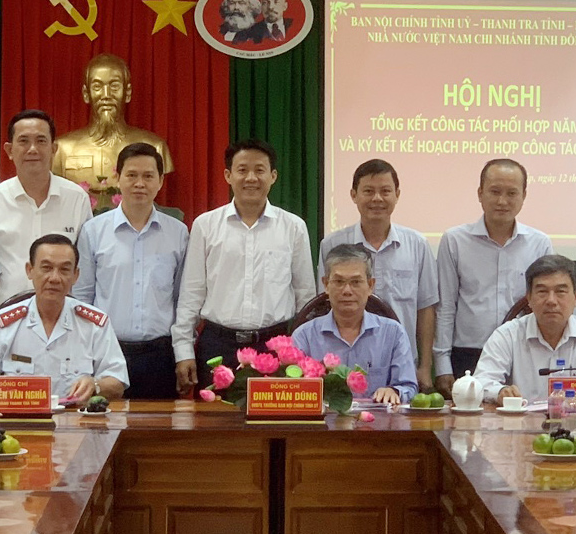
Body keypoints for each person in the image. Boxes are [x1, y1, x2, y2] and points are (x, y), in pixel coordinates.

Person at [173, 139, 315, 392]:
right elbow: (191, 293)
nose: (251, 178)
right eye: (242, 170)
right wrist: (184, 351)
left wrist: (304, 353)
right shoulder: (206, 225)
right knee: (215, 416)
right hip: (218, 346)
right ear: (228, 175)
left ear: (273, 176)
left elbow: (306, 297)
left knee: (273, 417)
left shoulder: (293, 227)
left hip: (274, 347)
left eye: (259, 170)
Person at [74, 143, 189, 399]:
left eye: (148, 176)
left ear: (160, 181)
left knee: (158, 423)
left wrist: (183, 353)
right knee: (102, 422)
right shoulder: (93, 231)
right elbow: (82, 298)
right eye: (132, 175)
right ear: (118, 178)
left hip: (160, 355)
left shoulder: (178, 233)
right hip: (106, 352)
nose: (140, 183)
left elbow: (183, 299)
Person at [433, 159, 553, 398]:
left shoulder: (539, 243)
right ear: (480, 193)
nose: (502, 201)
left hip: (522, 353)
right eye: (495, 192)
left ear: (524, 196)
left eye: (511, 193)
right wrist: (443, 364)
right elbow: (446, 306)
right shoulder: (454, 240)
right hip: (468, 353)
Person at [318, 159, 438, 390]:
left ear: (397, 195)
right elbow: (323, 304)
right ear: (353, 195)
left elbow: (426, 308)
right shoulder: (332, 244)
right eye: (368, 191)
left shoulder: (417, 245)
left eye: (385, 191)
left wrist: (425, 366)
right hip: (342, 366)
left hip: (401, 364)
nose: (377, 198)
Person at [0, 234, 129, 403]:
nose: (55, 278)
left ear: (75, 275)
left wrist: (95, 385)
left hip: (76, 416)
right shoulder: (2, 324)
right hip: (19, 416)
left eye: (64, 270)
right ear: (29, 270)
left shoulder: (94, 324)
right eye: (46, 268)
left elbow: (118, 381)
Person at [474, 255, 576, 405]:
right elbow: (479, 383)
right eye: (542, 292)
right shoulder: (507, 334)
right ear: (529, 298)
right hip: (524, 421)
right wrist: (500, 392)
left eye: (560, 292)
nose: (551, 301)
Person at [0, 109, 92, 306]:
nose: (32, 149)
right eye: (23, 141)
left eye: (41, 141)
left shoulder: (76, 199)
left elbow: (86, 266)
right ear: (9, 150)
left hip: (63, 312)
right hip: (7, 313)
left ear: (54, 148)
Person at [292, 244, 418, 405]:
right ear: (326, 284)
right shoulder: (304, 336)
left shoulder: (393, 333)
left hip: (378, 419)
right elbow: (293, 389)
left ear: (370, 285)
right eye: (339, 281)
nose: (347, 290)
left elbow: (409, 387)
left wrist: (394, 391)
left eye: (356, 282)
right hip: (324, 420)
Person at [51, 54, 174, 190]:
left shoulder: (155, 147)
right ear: (86, 94)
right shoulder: (61, 149)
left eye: (114, 86)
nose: (106, 95)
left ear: (127, 93)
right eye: (97, 87)